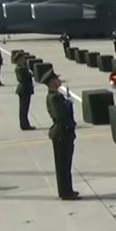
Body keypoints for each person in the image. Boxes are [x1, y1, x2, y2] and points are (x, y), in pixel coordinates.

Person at [43, 70, 78, 200]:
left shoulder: (57, 96)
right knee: (63, 165)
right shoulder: (54, 98)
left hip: (64, 132)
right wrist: (67, 106)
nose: (59, 81)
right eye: (56, 79)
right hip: (62, 133)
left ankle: (68, 189)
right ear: (52, 82)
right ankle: (65, 192)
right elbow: (59, 116)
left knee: (66, 164)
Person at [14, 52, 36, 130]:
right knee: (23, 109)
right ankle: (24, 125)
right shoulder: (20, 68)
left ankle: (25, 124)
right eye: (22, 58)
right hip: (24, 89)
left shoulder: (23, 67)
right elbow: (22, 78)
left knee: (25, 108)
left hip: (26, 89)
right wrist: (28, 73)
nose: (24, 60)